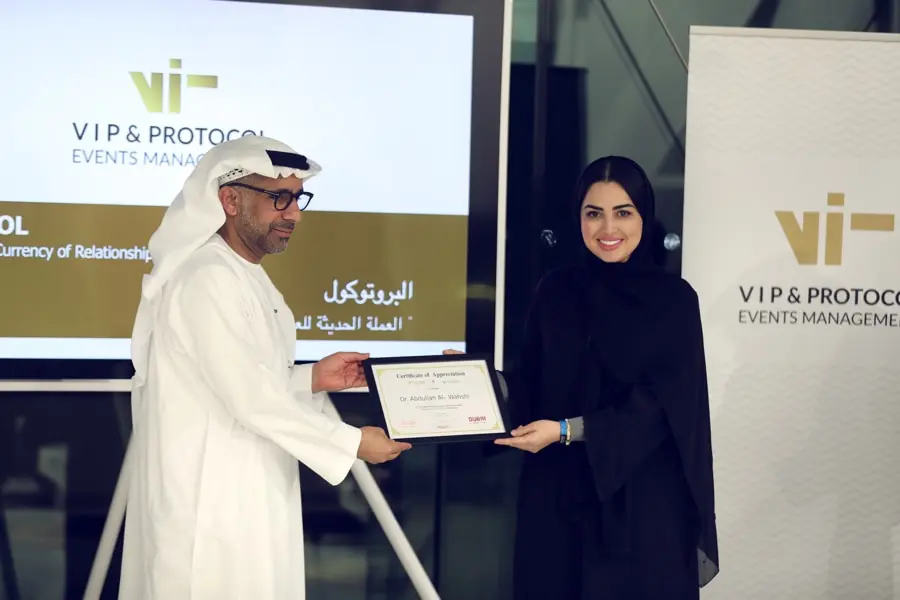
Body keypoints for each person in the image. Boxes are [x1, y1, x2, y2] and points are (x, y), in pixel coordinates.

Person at [120, 135, 411, 599]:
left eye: (298, 198)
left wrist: (311, 377)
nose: (294, 214)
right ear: (230, 200)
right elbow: (249, 396)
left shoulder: (242, 273)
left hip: (245, 492)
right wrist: (352, 442)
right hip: (209, 505)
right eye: (279, 198)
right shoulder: (206, 277)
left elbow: (234, 380)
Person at [448, 156, 718, 599]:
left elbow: (663, 406)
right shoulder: (556, 291)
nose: (607, 228)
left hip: (641, 505)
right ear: (579, 218)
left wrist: (566, 430)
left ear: (644, 217)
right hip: (558, 499)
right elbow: (532, 382)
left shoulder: (674, 302)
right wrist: (476, 382)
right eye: (594, 213)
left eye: (623, 212)